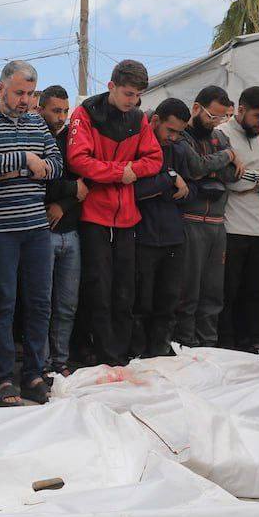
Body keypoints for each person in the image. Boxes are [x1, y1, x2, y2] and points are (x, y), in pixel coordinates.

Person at [0, 61, 62, 406]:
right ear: (0, 88)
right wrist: (26, 160)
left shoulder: (37, 122)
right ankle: (2, 377)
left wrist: (16, 167)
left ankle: (34, 374)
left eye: (30, 93)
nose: (25, 100)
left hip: (36, 227)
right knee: (1, 304)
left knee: (40, 304)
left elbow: (56, 166)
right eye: (19, 92)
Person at [66, 59, 163, 365]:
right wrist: (121, 172)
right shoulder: (85, 113)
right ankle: (101, 353)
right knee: (98, 287)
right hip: (94, 215)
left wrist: (128, 171)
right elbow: (78, 159)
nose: (132, 100)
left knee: (125, 289)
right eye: (127, 93)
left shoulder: (138, 118)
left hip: (127, 216)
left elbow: (155, 158)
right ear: (111, 86)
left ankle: (120, 354)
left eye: (137, 95)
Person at [172, 86, 240, 348]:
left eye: (222, 117)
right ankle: (185, 343)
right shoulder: (182, 136)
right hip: (190, 220)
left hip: (217, 224)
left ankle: (208, 343)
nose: (216, 122)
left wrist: (210, 167)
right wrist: (226, 157)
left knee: (213, 292)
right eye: (212, 116)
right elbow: (194, 167)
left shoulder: (220, 137)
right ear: (196, 108)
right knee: (187, 290)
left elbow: (232, 174)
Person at [219, 86, 259, 352]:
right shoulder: (222, 134)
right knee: (229, 290)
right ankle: (228, 343)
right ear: (241, 110)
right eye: (258, 116)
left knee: (256, 289)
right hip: (232, 224)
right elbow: (230, 177)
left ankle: (254, 341)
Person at [132, 98, 191, 358]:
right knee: (141, 302)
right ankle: (138, 352)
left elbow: (191, 189)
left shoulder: (178, 150)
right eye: (170, 130)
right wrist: (168, 179)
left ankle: (160, 349)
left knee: (168, 301)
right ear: (155, 121)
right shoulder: (136, 145)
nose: (174, 137)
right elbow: (135, 189)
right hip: (143, 236)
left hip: (173, 235)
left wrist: (169, 186)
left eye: (179, 132)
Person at [39, 85, 84, 376]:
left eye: (65, 111)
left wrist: (63, 204)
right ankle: (42, 364)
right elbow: (42, 183)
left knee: (67, 303)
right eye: (56, 110)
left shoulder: (72, 140)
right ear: (40, 108)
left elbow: (85, 184)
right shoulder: (34, 136)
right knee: (41, 304)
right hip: (42, 231)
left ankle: (60, 361)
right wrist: (69, 191)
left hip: (70, 231)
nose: (61, 117)